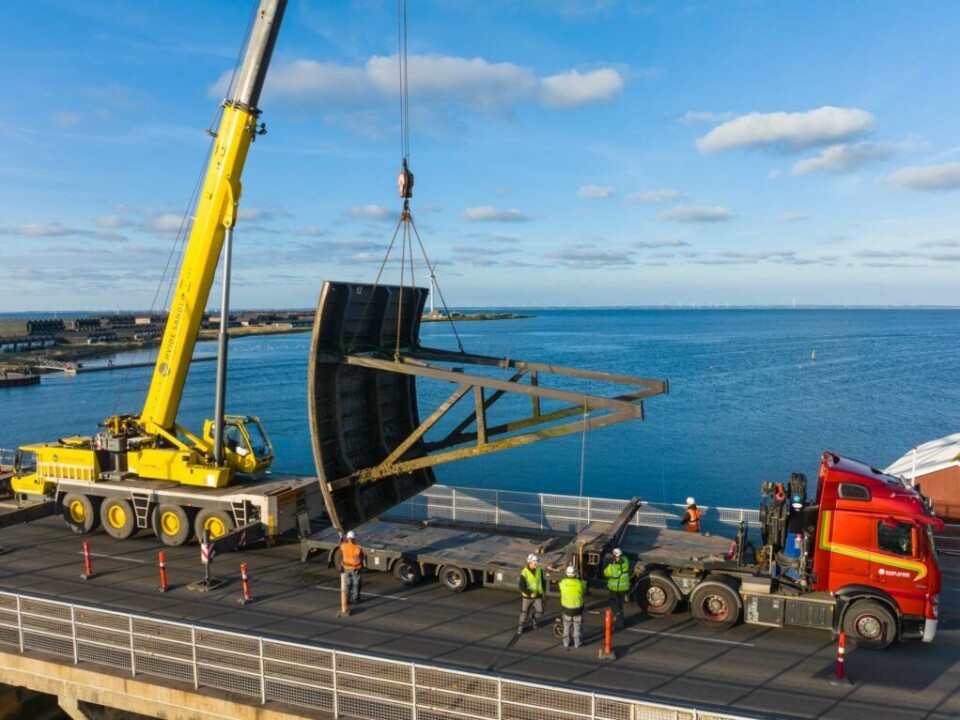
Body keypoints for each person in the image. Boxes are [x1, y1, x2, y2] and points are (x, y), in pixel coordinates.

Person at [558, 565, 586, 650]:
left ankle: (566, 643)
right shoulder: (579, 583)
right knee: (577, 627)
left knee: (566, 626)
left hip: (566, 609)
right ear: (575, 574)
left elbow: (560, 587)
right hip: (578, 609)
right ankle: (577, 643)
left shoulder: (563, 583)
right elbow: (584, 589)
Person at [517, 553, 545, 634]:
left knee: (540, 611)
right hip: (527, 597)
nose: (536, 565)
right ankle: (521, 627)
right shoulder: (524, 572)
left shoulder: (539, 569)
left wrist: (543, 591)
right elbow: (521, 586)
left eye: (537, 563)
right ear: (530, 562)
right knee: (524, 612)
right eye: (535, 563)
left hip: (538, 596)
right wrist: (530, 593)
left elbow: (542, 581)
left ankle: (534, 619)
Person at [603, 548, 630, 630]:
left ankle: (619, 623)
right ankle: (620, 619)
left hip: (615, 588)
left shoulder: (613, 567)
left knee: (615, 606)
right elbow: (624, 558)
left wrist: (611, 565)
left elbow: (606, 573)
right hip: (624, 588)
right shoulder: (626, 561)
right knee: (620, 604)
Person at [339, 530, 364, 605]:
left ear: (347, 538)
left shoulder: (344, 546)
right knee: (356, 584)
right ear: (354, 539)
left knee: (348, 584)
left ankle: (347, 599)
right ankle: (355, 599)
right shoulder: (358, 548)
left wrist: (340, 536)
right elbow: (361, 557)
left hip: (347, 568)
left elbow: (340, 544)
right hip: (355, 568)